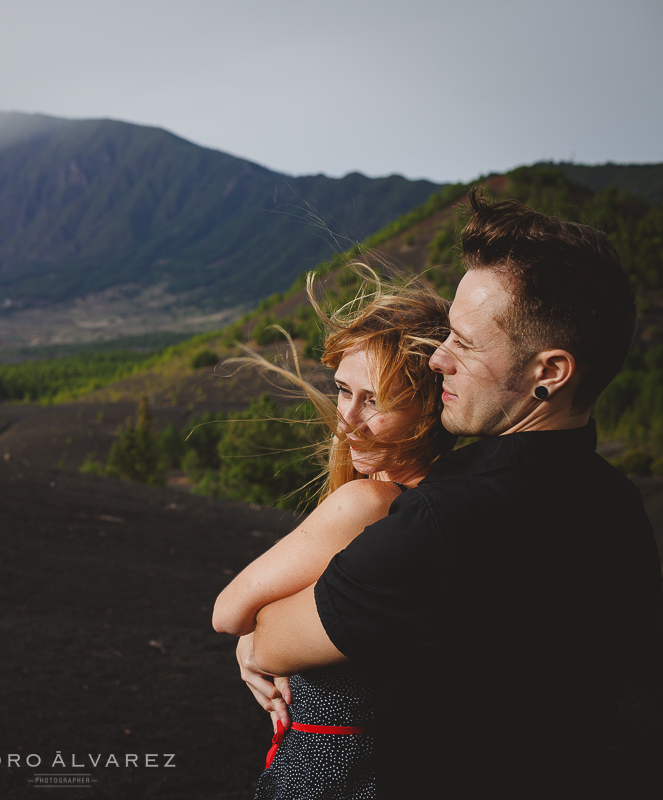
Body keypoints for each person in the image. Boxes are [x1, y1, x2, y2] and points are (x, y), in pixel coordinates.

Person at [242, 189, 663, 799]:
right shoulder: (617, 504)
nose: (439, 358)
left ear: (550, 371)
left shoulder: (443, 519)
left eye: (465, 342)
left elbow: (274, 641)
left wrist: (255, 637)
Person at [212, 266, 454, 799]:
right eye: (344, 390)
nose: (347, 421)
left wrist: (255, 637)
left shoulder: (368, 503)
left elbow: (227, 613)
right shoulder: (449, 506)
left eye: (378, 400)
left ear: (434, 403)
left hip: (328, 777)